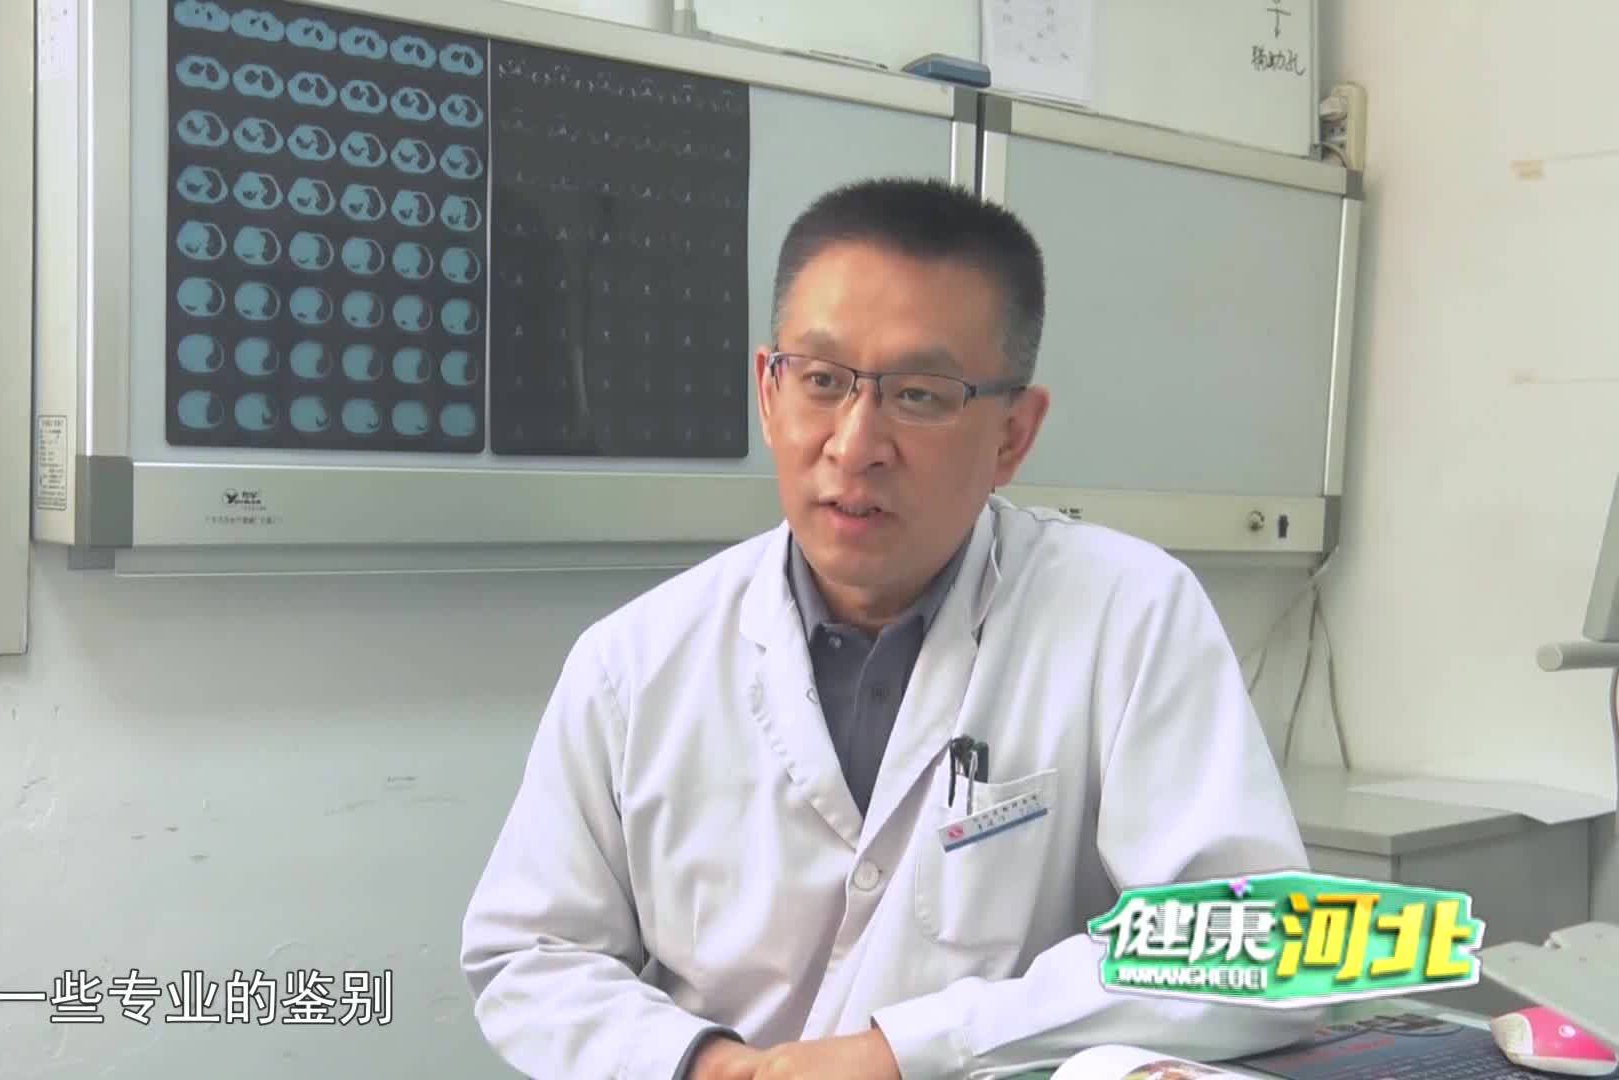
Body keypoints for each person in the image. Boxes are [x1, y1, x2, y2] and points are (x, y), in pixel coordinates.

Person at [461, 178, 1318, 1080]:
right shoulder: (634, 662)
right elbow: (531, 955)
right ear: (768, 392)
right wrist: (707, 1066)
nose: (856, 444)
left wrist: (910, 1052)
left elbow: (1258, 941)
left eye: (919, 395)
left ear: (1013, 436)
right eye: (822, 381)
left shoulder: (1128, 615)